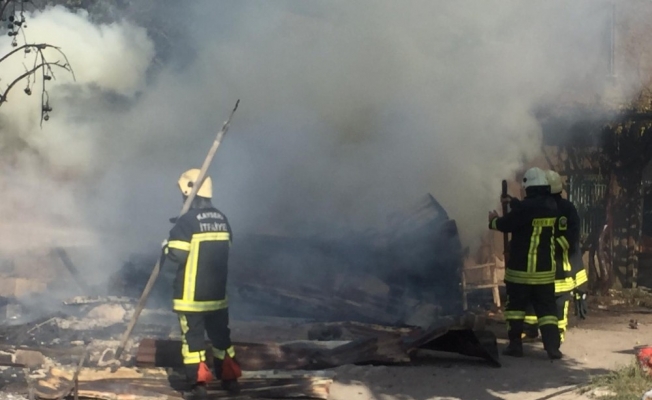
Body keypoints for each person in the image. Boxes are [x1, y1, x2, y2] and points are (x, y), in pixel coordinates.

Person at [161, 168, 241, 398]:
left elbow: (176, 255)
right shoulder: (222, 219)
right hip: (217, 296)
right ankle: (230, 380)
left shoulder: (186, 222)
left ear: (189, 191)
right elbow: (226, 247)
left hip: (191, 298)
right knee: (222, 339)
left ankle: (199, 387)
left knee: (193, 342)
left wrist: (166, 245)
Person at [489, 167, 562, 359]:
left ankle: (515, 346)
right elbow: (527, 209)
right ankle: (553, 348)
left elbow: (507, 223)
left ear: (528, 187)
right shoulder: (552, 206)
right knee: (547, 311)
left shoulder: (524, 209)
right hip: (544, 272)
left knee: (515, 310)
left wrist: (493, 221)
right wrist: (513, 202)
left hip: (520, 271)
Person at [520, 170, 588, 342]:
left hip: (555, 267)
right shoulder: (558, 207)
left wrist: (549, 246)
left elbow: (572, 237)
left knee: (552, 300)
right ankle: (536, 329)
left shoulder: (563, 208)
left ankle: (550, 332)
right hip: (551, 267)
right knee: (543, 299)